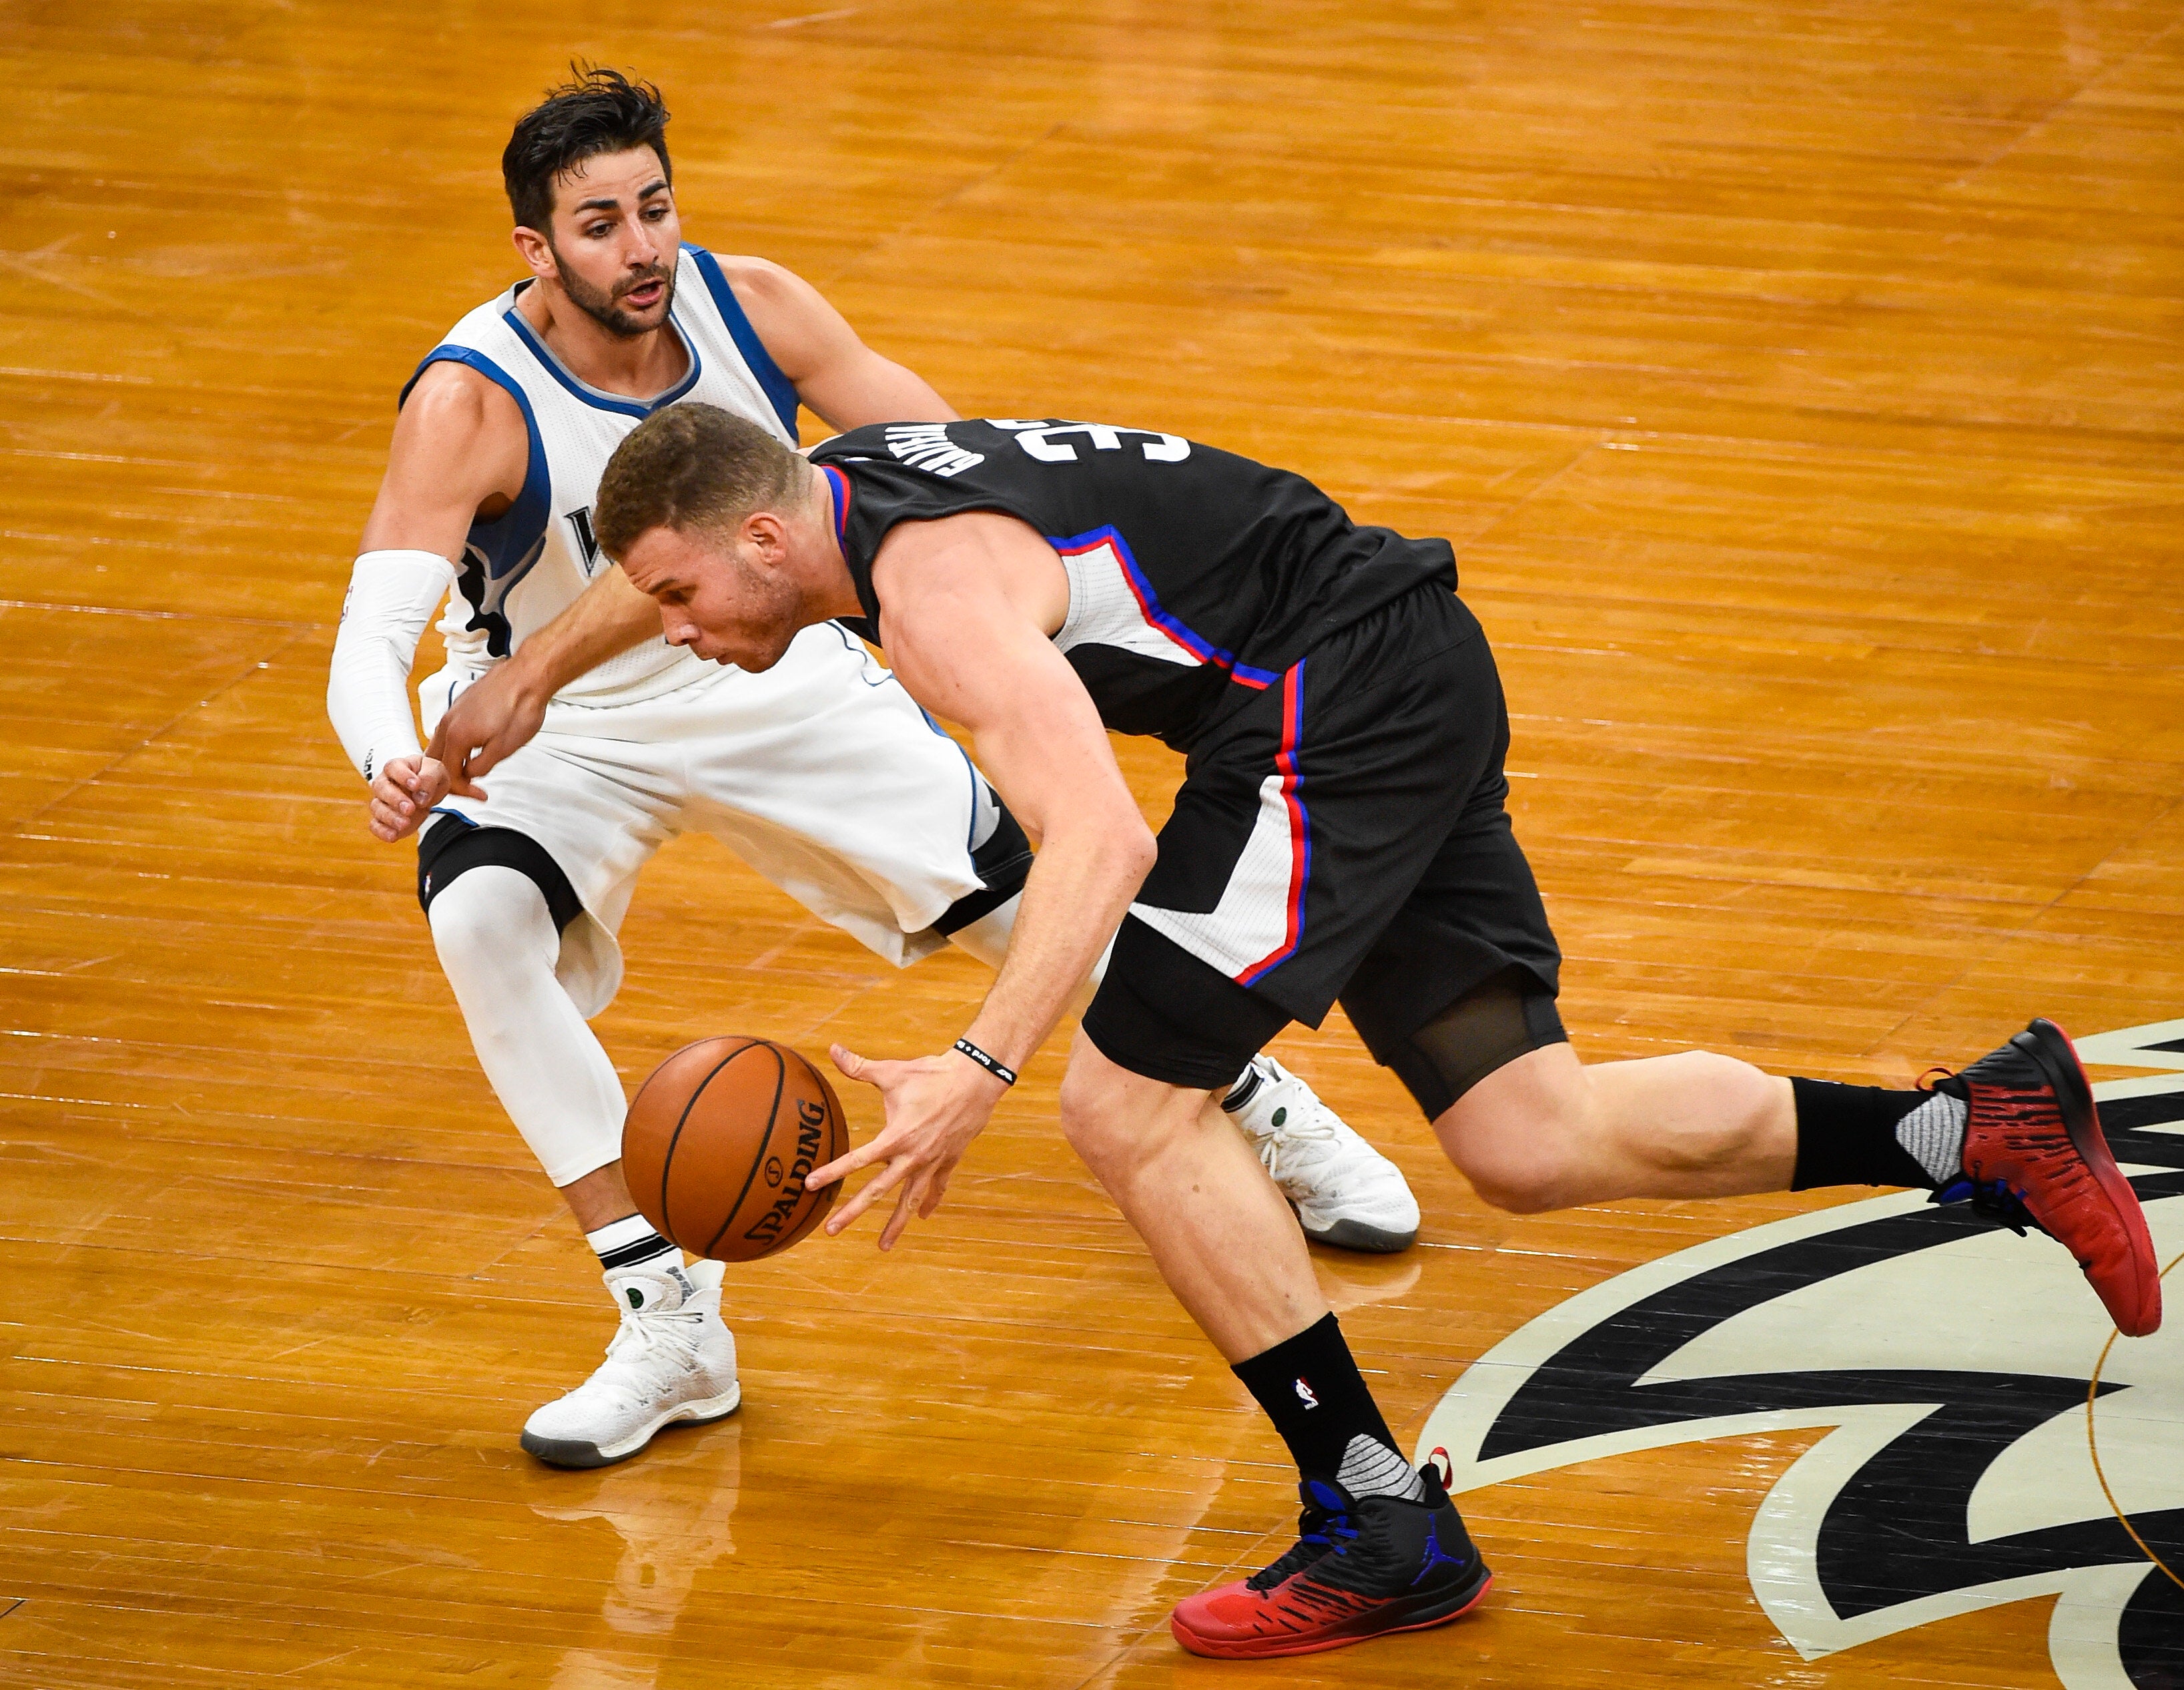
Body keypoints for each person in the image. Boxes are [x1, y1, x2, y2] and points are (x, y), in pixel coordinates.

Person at [575, 402, 2163, 1659]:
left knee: (1123, 1110)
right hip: (1399, 663)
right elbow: (770, 491)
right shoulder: (843, 474)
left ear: (767, 535)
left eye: (675, 597)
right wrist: (512, 698)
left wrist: (974, 1070)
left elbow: (1101, 845)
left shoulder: (929, 602)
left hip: (1323, 711)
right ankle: (1978, 1129)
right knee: (1527, 1140)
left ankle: (1374, 1524)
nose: (672, 630)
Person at [324, 70, 1416, 1473]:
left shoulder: (753, 306)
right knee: (479, 924)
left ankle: (1253, 1100)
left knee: (1028, 907)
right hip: (566, 723)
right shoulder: (468, 404)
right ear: (535, 252)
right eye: (598, 226)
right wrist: (392, 756)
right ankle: (667, 1315)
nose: (643, 247)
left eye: (655, 208)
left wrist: (963, 611)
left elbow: (943, 458)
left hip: (775, 672)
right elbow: (373, 633)